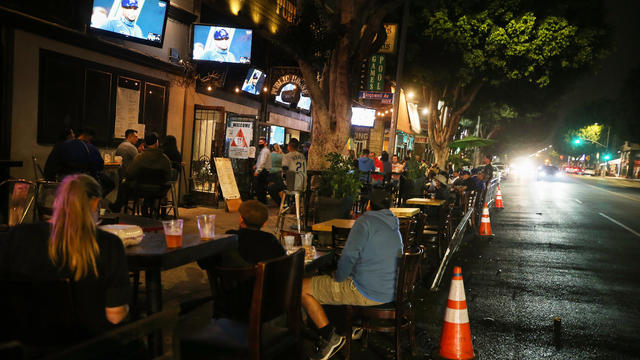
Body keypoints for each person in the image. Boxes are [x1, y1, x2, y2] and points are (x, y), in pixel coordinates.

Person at [0, 174, 130, 337]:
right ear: (96, 203)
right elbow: (115, 316)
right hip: (86, 345)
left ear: (57, 201)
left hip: (23, 342)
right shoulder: (109, 244)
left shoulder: (19, 235)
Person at [302, 189, 403, 360]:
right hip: (391, 289)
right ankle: (351, 324)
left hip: (368, 292)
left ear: (369, 204)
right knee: (335, 277)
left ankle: (329, 336)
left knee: (302, 287)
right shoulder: (393, 224)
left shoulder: (365, 222)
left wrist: (338, 277)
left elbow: (348, 257)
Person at [109, 132, 172, 213]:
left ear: (145, 143)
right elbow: (168, 177)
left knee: (124, 184)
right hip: (158, 191)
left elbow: (130, 174)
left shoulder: (139, 157)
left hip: (140, 189)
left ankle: (117, 206)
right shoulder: (165, 159)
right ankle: (148, 207)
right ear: (157, 142)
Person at [59, 128, 114, 196]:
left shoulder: (65, 145)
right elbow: (99, 165)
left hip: (66, 177)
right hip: (85, 178)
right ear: (87, 136)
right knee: (110, 184)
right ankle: (94, 199)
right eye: (91, 139)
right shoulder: (90, 147)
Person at [254, 138, 272, 204]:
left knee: (260, 187)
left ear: (265, 143)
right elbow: (260, 161)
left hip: (263, 171)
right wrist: (256, 165)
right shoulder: (264, 150)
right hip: (264, 170)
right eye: (259, 142)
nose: (259, 144)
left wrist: (258, 171)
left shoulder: (264, 151)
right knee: (262, 187)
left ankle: (261, 201)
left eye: (261, 142)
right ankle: (262, 201)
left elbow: (262, 162)